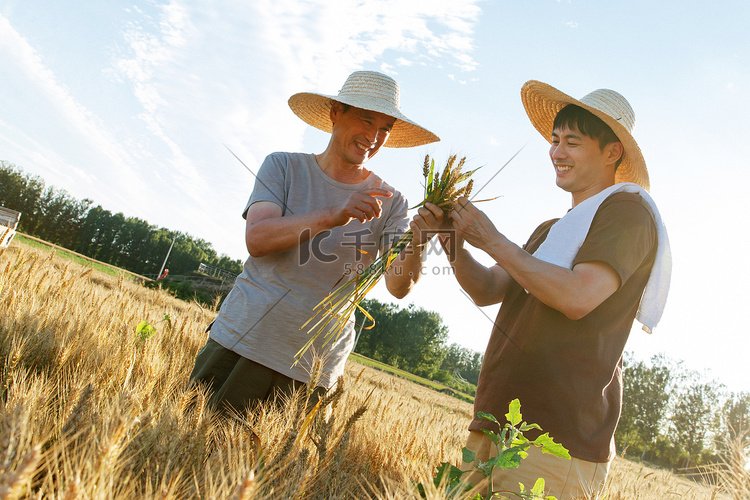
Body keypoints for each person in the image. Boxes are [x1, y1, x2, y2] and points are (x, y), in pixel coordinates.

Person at [412, 81, 671, 499]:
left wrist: (493, 239)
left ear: (612, 152)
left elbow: (577, 297)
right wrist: (452, 238)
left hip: (556, 438)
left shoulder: (627, 212)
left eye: (572, 142)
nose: (557, 152)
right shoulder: (551, 232)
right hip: (497, 420)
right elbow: (486, 288)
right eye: (554, 141)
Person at [189, 71, 440, 413]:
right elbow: (258, 239)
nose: (374, 137)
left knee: (275, 468)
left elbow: (398, 286)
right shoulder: (283, 166)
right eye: (366, 120)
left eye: (385, 129)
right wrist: (333, 215)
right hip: (242, 341)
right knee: (191, 449)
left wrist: (420, 241)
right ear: (336, 112)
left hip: (313, 367)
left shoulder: (392, 201)